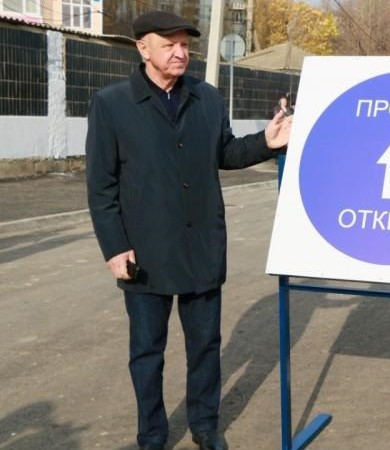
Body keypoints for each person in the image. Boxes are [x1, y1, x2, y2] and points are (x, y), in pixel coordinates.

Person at [85, 10, 291, 450]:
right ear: (143, 48)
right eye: (169, 45)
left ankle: (205, 425)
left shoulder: (207, 98)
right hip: (145, 252)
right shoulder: (112, 104)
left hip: (201, 247)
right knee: (147, 352)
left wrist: (266, 142)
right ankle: (152, 435)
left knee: (205, 346)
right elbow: (101, 186)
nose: (180, 53)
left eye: (185, 45)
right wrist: (115, 248)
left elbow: (225, 153)